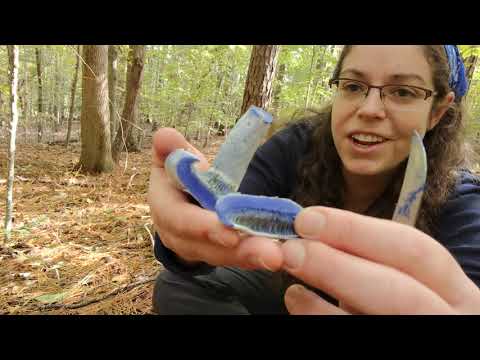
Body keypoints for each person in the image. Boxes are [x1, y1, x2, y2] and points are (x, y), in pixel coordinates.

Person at [148, 45, 480, 315]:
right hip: (289, 290)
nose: (369, 109)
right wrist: (188, 233)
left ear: (437, 111)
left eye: (403, 92)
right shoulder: (297, 145)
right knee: (177, 287)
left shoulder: (462, 201)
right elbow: (216, 222)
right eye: (353, 86)